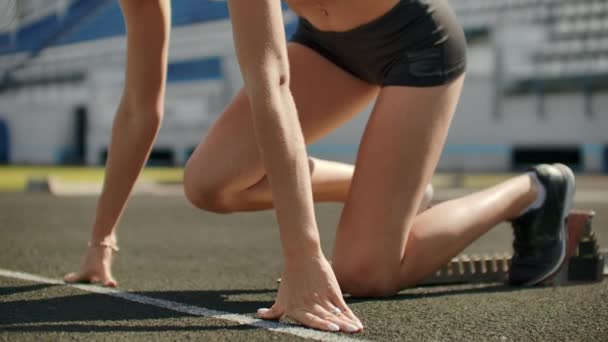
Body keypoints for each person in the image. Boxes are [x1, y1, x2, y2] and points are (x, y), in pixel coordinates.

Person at [65, 0, 575, 333]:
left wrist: (303, 257)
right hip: (327, 46)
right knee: (207, 183)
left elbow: (273, 85)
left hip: (416, 43)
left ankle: (533, 190)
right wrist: (100, 241)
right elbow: (138, 107)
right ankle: (384, 192)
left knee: (366, 272)